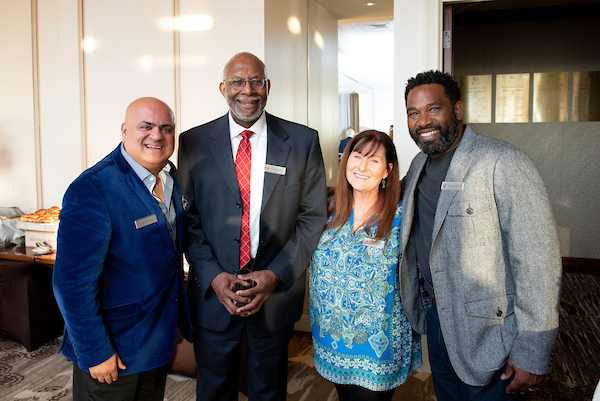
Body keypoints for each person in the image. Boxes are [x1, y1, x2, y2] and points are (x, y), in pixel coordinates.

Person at [399, 70, 562, 401]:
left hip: (492, 334)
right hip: (437, 320)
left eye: (434, 109)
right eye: (413, 113)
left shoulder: (503, 161)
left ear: (457, 110)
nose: (423, 121)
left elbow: (538, 262)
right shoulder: (417, 166)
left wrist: (532, 351)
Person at [177, 52, 327, 401]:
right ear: (223, 88)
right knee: (213, 389)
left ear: (268, 86)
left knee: (269, 390)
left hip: (275, 296)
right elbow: (190, 221)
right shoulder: (193, 143)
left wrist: (274, 275)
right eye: (237, 82)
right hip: (213, 296)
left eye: (256, 81)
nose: (248, 90)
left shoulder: (302, 142)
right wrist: (214, 276)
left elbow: (312, 219)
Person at [53, 97, 193, 401]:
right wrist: (95, 351)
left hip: (156, 340)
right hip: (112, 349)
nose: (156, 135)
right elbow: (70, 283)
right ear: (124, 130)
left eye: (166, 128)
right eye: (146, 126)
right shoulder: (92, 189)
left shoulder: (172, 177)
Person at [310, 130, 422, 401]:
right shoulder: (325, 210)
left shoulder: (402, 218)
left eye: (373, 160)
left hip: (379, 346)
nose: (361, 166)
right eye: (357, 156)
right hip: (331, 339)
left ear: (387, 170)